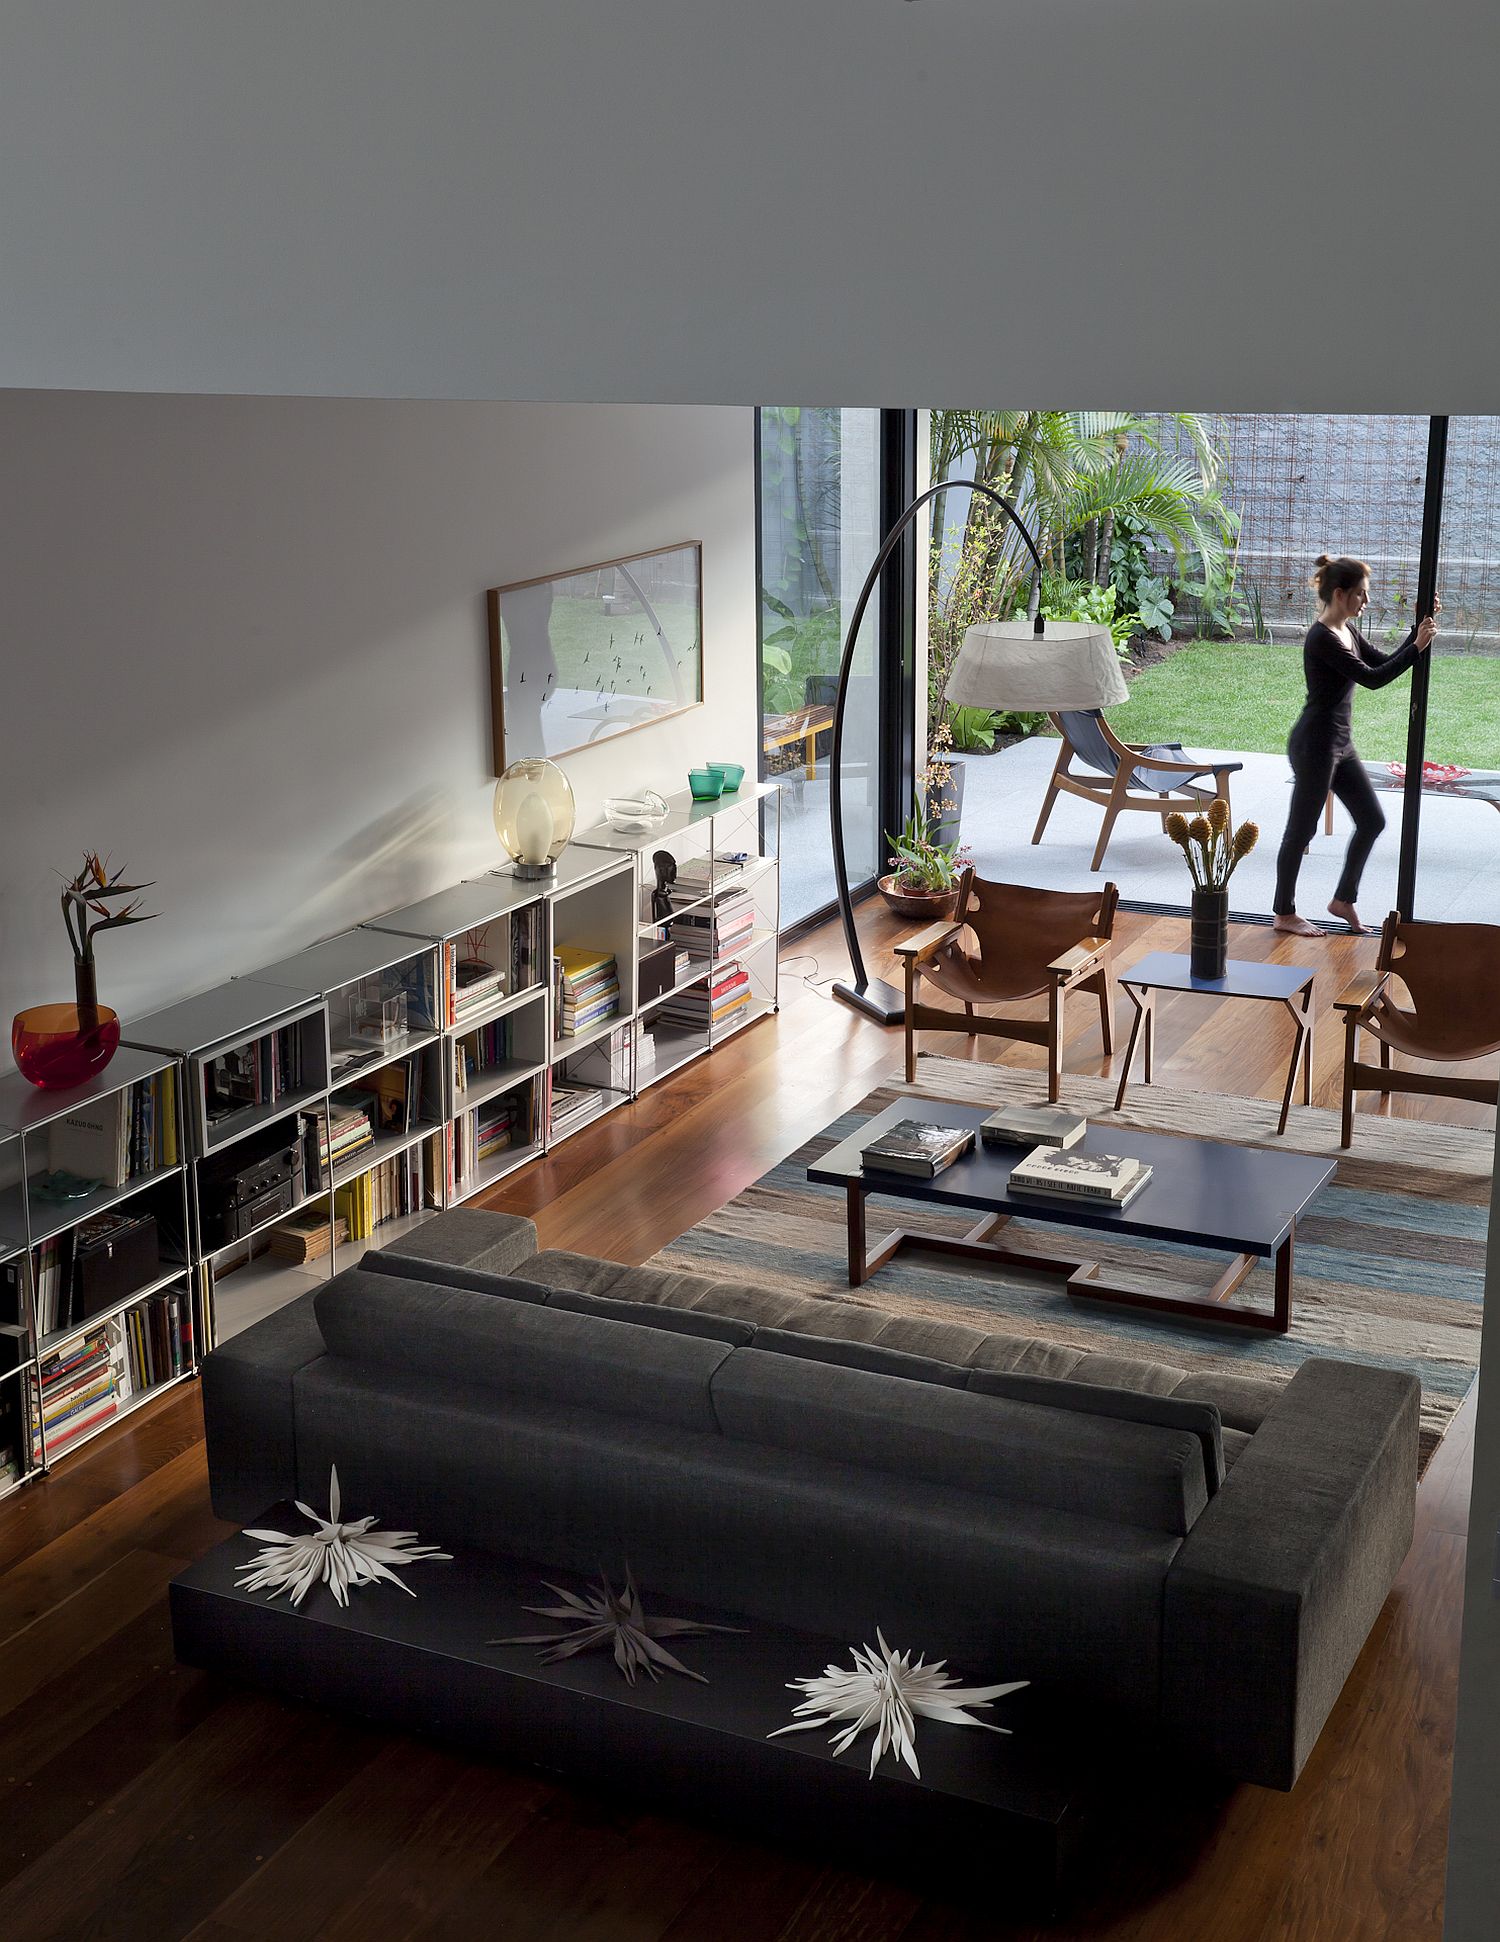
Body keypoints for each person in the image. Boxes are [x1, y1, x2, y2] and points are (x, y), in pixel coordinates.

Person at [1272, 555, 1439, 936]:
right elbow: (1373, 679)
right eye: (1361, 595)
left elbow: (1382, 661)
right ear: (1340, 593)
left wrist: (1418, 633)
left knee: (1372, 820)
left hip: (1339, 744)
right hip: (1315, 745)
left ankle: (1343, 899)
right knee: (1301, 832)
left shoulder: (1346, 630)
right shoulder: (1322, 638)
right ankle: (1284, 913)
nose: (1365, 602)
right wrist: (1417, 646)